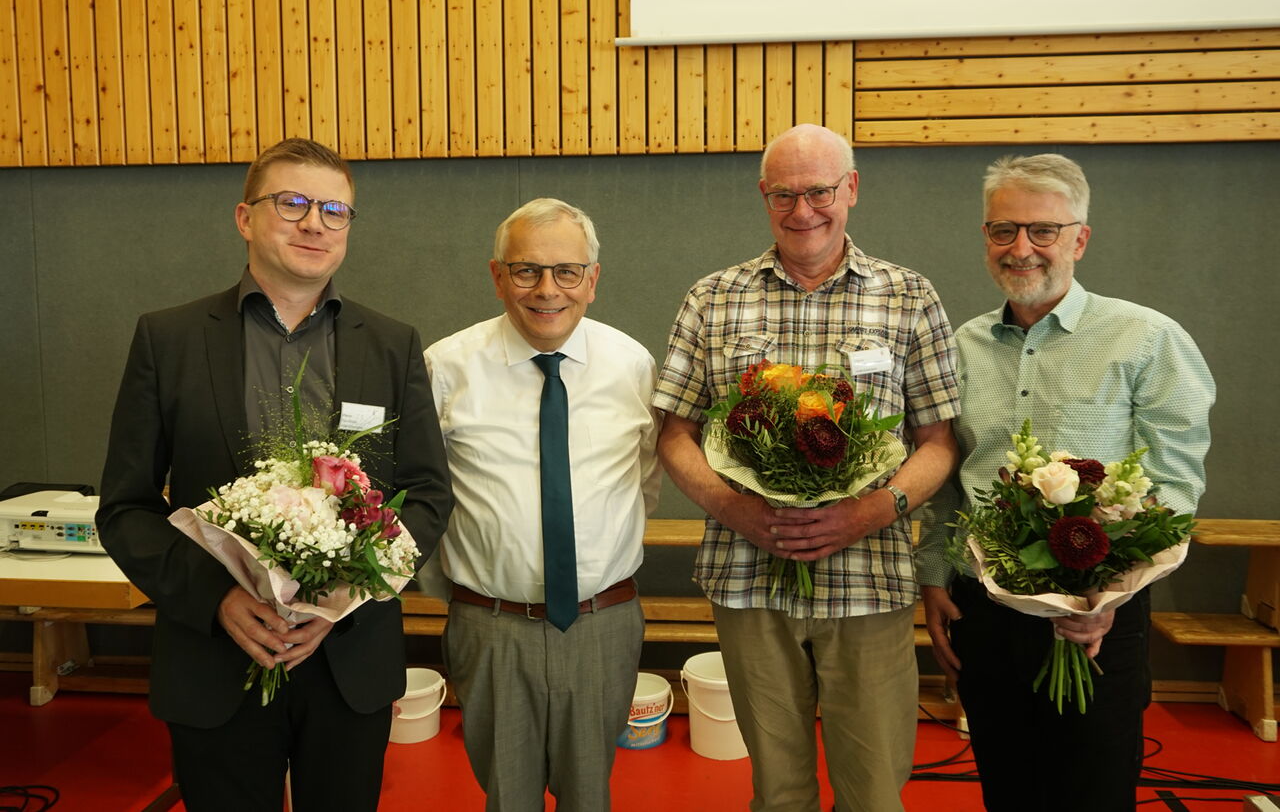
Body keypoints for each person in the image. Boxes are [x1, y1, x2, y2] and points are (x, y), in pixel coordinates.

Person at [96, 138, 454, 812]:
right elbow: (126, 508)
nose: (313, 222)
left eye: (333, 210)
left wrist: (341, 597)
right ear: (244, 217)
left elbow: (429, 493)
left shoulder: (393, 343)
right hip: (216, 657)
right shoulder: (167, 339)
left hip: (348, 657)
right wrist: (218, 600)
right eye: (291, 202)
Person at [652, 123, 961, 812]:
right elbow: (673, 430)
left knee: (875, 789)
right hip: (747, 576)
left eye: (819, 190)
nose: (803, 210)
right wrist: (737, 509)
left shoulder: (909, 295)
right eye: (784, 194)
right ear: (764, 196)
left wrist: (870, 510)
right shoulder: (714, 297)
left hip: (869, 577)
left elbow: (938, 440)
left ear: (850, 188)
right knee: (777, 789)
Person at [916, 153, 1215, 812]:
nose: (1021, 248)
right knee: (1006, 784)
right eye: (1003, 229)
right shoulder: (958, 348)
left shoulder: (1147, 340)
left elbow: (1173, 487)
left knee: (1094, 791)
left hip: (1099, 617)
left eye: (1043, 230)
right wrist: (935, 578)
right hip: (984, 614)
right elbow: (948, 474)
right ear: (986, 238)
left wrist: (1106, 596)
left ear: (1080, 238)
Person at [423, 197, 660, 811]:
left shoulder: (633, 366)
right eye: (526, 270)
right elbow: (421, 494)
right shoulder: (446, 368)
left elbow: (644, 482)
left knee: (590, 797)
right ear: (498, 276)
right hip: (491, 624)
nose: (547, 289)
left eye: (567, 271)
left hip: (602, 624)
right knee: (508, 797)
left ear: (594, 280)